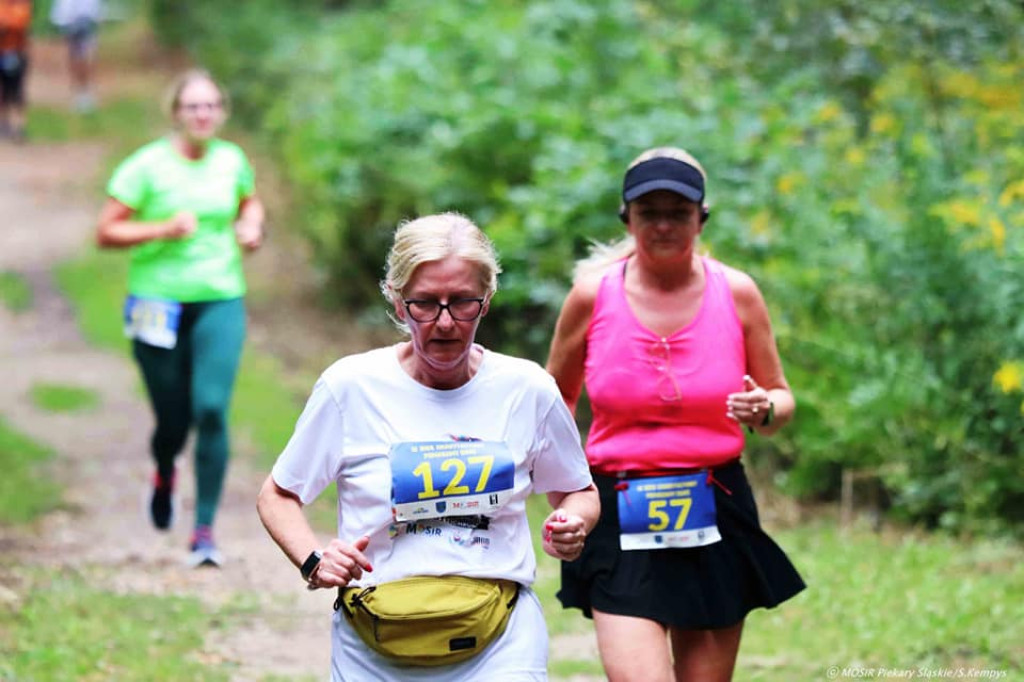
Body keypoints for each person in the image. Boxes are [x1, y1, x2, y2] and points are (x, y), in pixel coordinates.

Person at [257, 212, 599, 681]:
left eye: (462, 303)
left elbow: (577, 490)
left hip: (500, 635)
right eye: (424, 304)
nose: (444, 323)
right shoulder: (350, 387)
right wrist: (315, 560)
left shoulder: (528, 389)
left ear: (487, 302)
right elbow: (278, 494)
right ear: (398, 303)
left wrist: (572, 522)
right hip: (375, 637)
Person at [545, 146, 805, 681]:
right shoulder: (592, 297)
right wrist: (567, 492)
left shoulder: (737, 293)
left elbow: (782, 399)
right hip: (620, 506)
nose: (663, 226)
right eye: (649, 213)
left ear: (701, 218)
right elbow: (553, 405)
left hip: (715, 503)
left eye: (678, 213)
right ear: (627, 218)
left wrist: (763, 409)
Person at [96, 69, 265, 567]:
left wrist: (252, 225)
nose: (203, 114)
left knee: (211, 409)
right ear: (176, 113)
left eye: (212, 105)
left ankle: (204, 530)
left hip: (220, 297)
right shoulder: (145, 167)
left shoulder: (231, 160)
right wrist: (163, 228)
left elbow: (249, 202)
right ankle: (165, 466)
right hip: (156, 303)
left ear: (222, 112)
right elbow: (105, 232)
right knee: (172, 417)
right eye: (193, 106)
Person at [49, 0, 102, 111]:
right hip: (70, 25)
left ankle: (85, 91)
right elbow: (61, 10)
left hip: (86, 23)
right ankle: (78, 92)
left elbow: (94, 9)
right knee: (74, 59)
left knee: (85, 58)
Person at [0, 0, 31, 142]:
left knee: (17, 91)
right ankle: (4, 124)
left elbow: (18, 24)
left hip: (17, 52)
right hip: (2, 52)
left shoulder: (22, 4)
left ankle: (19, 125)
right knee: (3, 92)